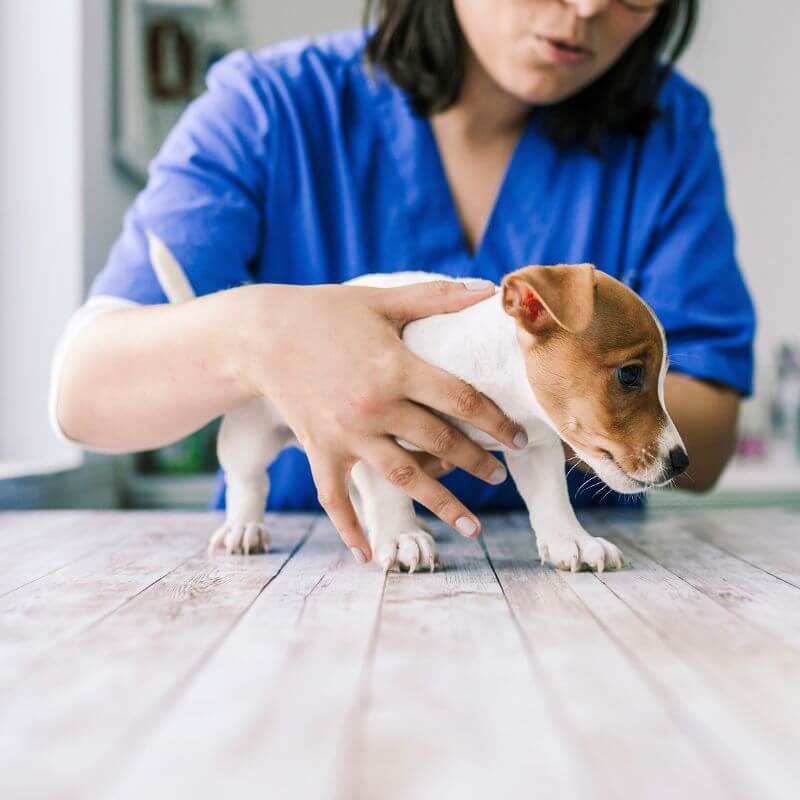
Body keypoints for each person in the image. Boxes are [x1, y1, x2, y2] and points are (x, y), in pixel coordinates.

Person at [52, 0, 755, 563]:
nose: (587, 7)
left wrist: (534, 397)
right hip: (302, 572)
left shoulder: (666, 127)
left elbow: (707, 436)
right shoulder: (267, 107)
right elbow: (84, 396)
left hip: (587, 597)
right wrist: (265, 332)